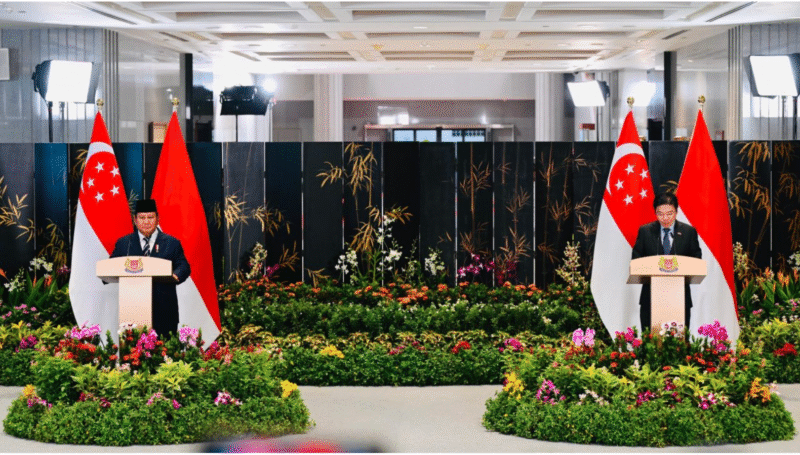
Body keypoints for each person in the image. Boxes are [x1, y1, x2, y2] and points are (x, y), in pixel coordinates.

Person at [110, 199, 190, 336]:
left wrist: (175, 275)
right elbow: (111, 266)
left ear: (158, 219)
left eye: (150, 217)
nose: (146, 221)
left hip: (165, 310)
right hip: (133, 310)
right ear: (135, 220)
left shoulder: (171, 243)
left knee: (165, 353)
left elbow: (183, 266)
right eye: (142, 218)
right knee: (133, 354)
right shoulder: (124, 244)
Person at [632, 192, 701, 331]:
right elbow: (636, 260)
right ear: (655, 213)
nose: (665, 218)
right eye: (660, 214)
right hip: (651, 296)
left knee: (679, 342)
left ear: (676, 211)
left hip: (680, 297)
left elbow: (697, 260)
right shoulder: (645, 231)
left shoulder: (688, 232)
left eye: (669, 213)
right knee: (650, 341)